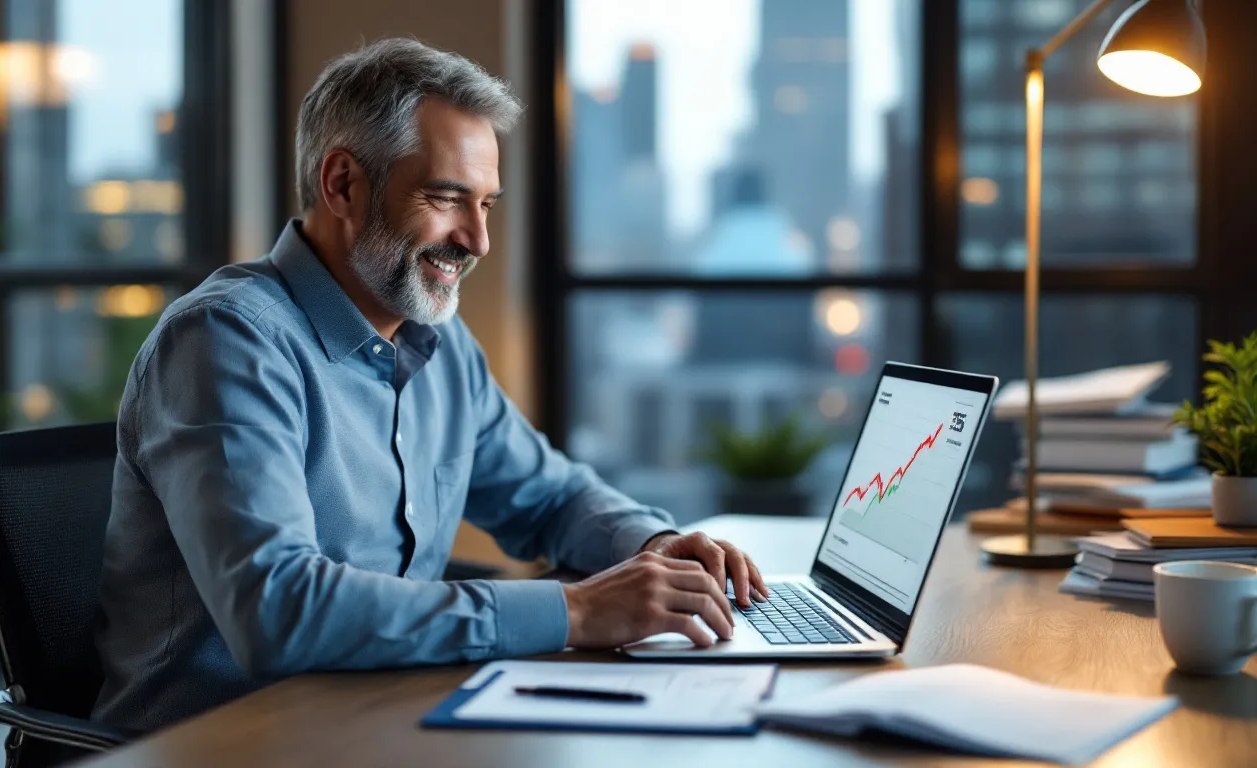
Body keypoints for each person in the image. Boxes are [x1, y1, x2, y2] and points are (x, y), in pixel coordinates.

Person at [92, 38, 768, 732]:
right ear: (342, 184)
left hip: (384, 718)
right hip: (221, 741)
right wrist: (578, 610)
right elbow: (278, 610)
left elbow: (550, 497)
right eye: (447, 198)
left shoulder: (440, 345)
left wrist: (651, 545)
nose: (477, 240)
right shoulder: (227, 341)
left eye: (487, 205)